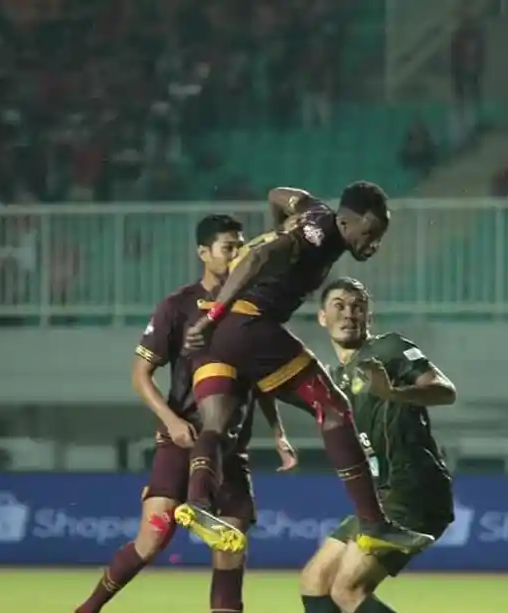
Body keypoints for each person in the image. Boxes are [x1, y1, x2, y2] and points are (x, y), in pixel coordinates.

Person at [58, 214, 294, 613]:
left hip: (232, 448)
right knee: (153, 538)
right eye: (229, 247)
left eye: (242, 246)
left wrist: (279, 432)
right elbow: (140, 375)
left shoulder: (253, 308)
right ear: (203, 253)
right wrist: (170, 421)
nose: (237, 254)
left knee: (232, 551)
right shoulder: (178, 307)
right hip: (181, 437)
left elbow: (263, 378)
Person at [175, 184, 433, 560]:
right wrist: (217, 314)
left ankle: (197, 501)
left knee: (216, 423)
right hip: (244, 323)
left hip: (219, 331)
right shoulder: (318, 236)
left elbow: (277, 193)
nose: (373, 243)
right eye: (370, 232)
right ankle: (374, 523)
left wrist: (278, 226)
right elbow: (258, 257)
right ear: (347, 221)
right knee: (333, 408)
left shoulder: (311, 211)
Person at [294, 278, 462, 613]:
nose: (349, 313)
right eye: (338, 305)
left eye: (357, 306)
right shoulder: (337, 376)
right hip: (379, 494)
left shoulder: (388, 349)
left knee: (348, 588)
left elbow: (445, 389)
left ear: (370, 315)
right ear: (322, 317)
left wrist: (398, 393)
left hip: (413, 490)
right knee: (315, 579)